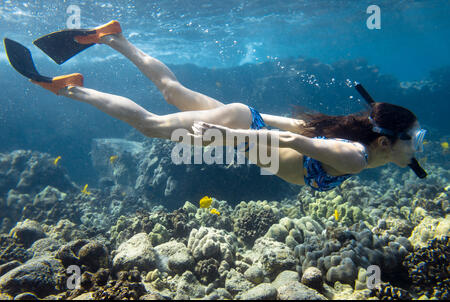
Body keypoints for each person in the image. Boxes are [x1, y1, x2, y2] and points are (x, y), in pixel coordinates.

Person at [4, 21, 427, 191]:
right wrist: (224, 136)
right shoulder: (354, 156)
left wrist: (238, 127)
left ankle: (114, 37)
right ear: (387, 142)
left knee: (171, 89)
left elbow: (292, 128)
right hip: (245, 132)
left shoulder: (356, 141)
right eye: (415, 138)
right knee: (150, 125)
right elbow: (286, 141)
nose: (418, 148)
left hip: (247, 124)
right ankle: (64, 88)